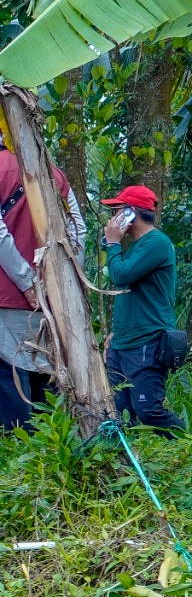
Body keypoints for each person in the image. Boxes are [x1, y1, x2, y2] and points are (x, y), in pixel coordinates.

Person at [0, 126, 83, 432]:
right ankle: (51, 451)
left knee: (8, 381)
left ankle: (18, 455)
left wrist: (26, 281)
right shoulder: (53, 173)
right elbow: (77, 231)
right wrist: (64, 285)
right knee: (48, 380)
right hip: (50, 298)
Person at [102, 184, 183, 433]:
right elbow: (132, 294)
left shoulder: (156, 243)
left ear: (131, 213)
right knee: (117, 410)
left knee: (148, 410)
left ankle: (185, 448)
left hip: (147, 341)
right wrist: (116, 332)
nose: (112, 218)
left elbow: (121, 276)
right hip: (123, 342)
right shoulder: (137, 245)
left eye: (117, 210)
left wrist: (113, 243)